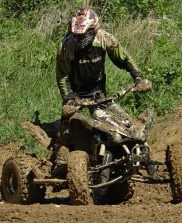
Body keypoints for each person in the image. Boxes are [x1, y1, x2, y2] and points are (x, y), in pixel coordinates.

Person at [53, 8, 150, 157]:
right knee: (68, 134)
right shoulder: (66, 46)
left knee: (124, 124)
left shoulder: (104, 38)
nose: (80, 38)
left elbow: (123, 58)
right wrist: (69, 98)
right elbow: (62, 76)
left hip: (99, 94)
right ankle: (61, 160)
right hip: (75, 96)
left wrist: (138, 77)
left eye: (84, 34)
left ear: (93, 29)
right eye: (77, 34)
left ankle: (125, 152)